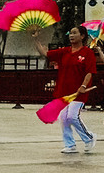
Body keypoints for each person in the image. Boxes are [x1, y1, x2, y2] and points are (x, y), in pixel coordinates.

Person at [32, 25, 97, 153]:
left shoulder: (87, 53)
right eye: (70, 33)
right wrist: (36, 39)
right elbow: (45, 53)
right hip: (63, 90)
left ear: (82, 36)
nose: (71, 36)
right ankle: (70, 144)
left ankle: (89, 137)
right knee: (63, 118)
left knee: (72, 116)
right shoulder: (64, 51)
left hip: (78, 91)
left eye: (74, 33)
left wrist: (83, 86)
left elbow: (90, 72)